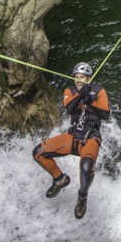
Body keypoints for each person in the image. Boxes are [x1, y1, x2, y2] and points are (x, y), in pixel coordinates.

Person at [32, 62, 111, 219]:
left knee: (86, 166)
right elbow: (69, 109)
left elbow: (105, 114)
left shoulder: (99, 91)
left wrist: (91, 101)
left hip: (91, 137)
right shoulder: (70, 90)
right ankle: (60, 180)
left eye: (82, 77)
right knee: (38, 153)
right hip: (73, 136)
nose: (78, 80)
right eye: (76, 77)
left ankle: (82, 196)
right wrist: (81, 96)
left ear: (89, 78)